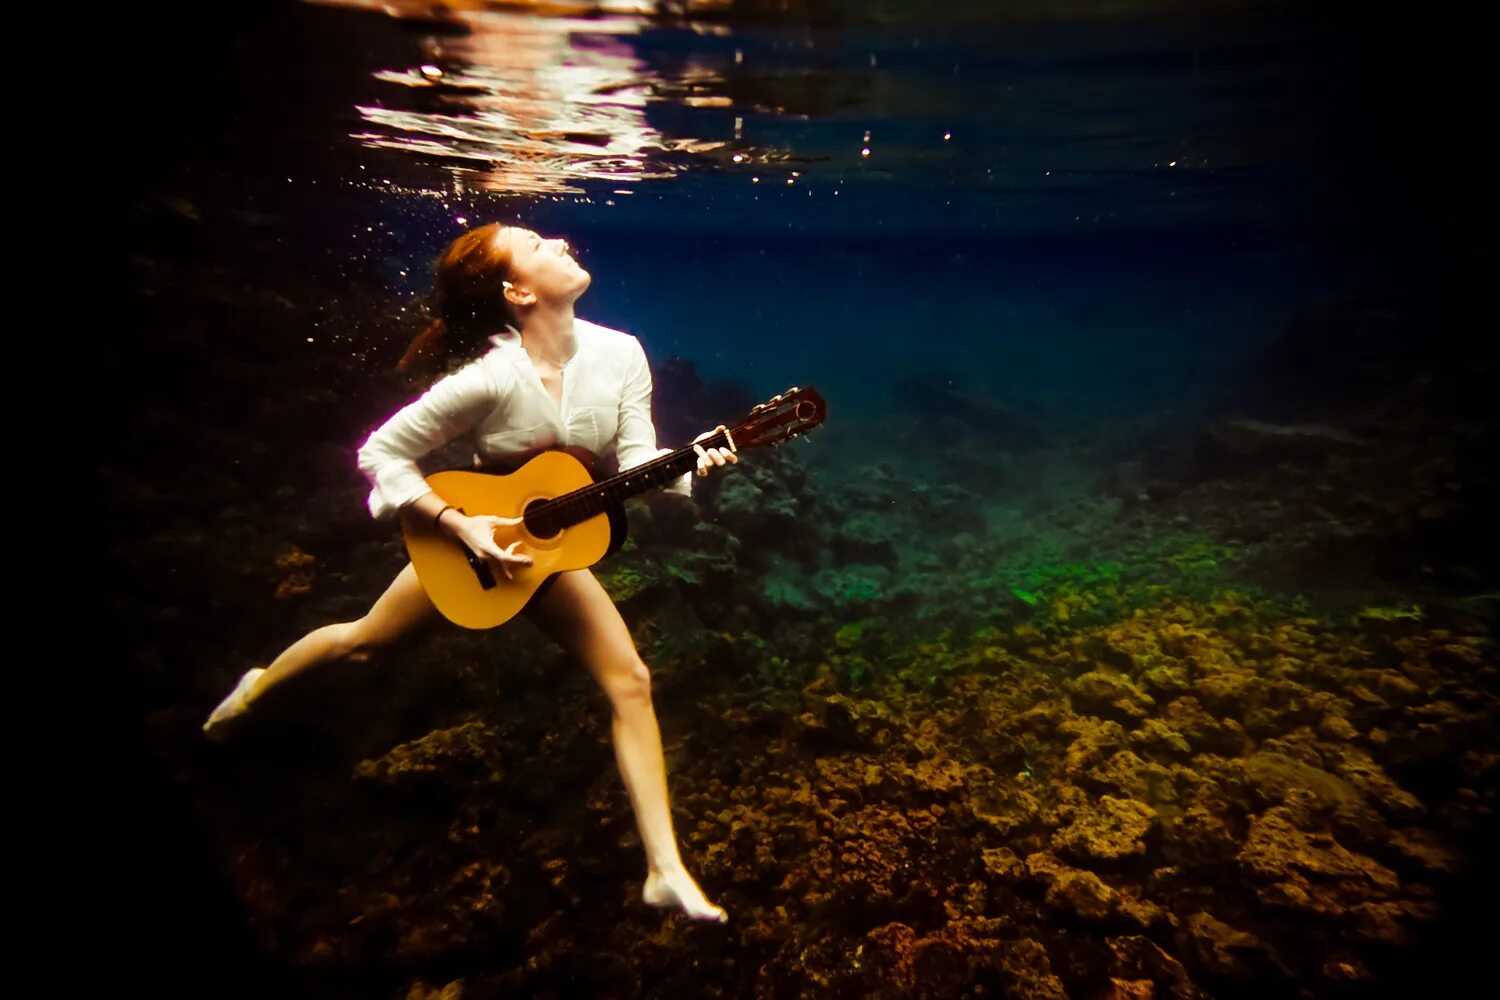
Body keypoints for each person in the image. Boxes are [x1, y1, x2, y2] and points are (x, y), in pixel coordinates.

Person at [203, 222, 737, 923]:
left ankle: (664, 869)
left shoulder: (622, 355)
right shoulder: (487, 380)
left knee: (630, 680)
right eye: (536, 246)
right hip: (473, 546)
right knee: (364, 643)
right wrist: (460, 525)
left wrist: (686, 463)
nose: (558, 239)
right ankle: (256, 689)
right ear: (517, 293)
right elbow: (380, 454)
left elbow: (638, 460)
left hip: (543, 557)